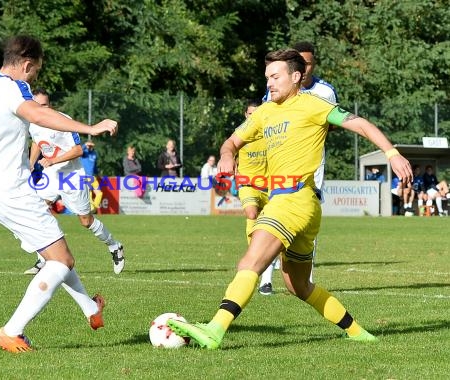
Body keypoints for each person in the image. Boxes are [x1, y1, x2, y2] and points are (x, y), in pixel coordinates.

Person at [167, 48, 413, 349]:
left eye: (276, 76)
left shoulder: (314, 105)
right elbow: (232, 141)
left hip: (293, 199)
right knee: (297, 285)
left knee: (251, 261)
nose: (269, 83)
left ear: (296, 77)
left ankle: (216, 329)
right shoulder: (265, 112)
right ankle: (357, 331)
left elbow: (359, 124)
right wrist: (227, 155)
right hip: (299, 204)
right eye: (267, 77)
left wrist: (392, 153)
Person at [0, 35, 118, 353]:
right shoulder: (14, 89)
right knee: (61, 261)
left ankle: (91, 309)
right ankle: (11, 331)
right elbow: (38, 114)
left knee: (53, 254)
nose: (34, 78)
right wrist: (91, 127)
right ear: (27, 65)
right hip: (13, 192)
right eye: (36, 72)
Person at [259, 41, 338, 289]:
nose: (305, 68)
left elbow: (334, 121)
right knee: (272, 215)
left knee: (308, 218)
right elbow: (264, 117)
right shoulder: (276, 87)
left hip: (313, 164)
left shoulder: (325, 92)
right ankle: (266, 278)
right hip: (278, 161)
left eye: (308, 63)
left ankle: (306, 277)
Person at [25, 88, 125, 276]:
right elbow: (38, 142)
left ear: (50, 104)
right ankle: (43, 259)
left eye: (44, 105)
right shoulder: (33, 121)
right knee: (38, 210)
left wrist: (53, 160)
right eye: (38, 105)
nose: (41, 108)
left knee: (85, 221)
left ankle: (115, 246)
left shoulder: (62, 120)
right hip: (51, 174)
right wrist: (31, 164)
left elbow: (78, 150)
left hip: (71, 175)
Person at [235, 99, 275, 295]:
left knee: (271, 231)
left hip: (270, 187)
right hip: (248, 185)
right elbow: (231, 154)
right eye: (250, 114)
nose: (253, 117)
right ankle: (255, 253)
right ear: (245, 115)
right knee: (251, 214)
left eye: (256, 114)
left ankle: (266, 278)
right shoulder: (240, 134)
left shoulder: (270, 133)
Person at [81, 139, 103, 212]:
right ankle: (91, 209)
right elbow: (79, 150)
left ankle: (94, 208)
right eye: (89, 145)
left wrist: (97, 173)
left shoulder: (94, 154)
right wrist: (85, 145)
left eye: (91, 145)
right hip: (85, 176)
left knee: (99, 193)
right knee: (89, 193)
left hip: (93, 177)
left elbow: (95, 166)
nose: (90, 147)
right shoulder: (84, 153)